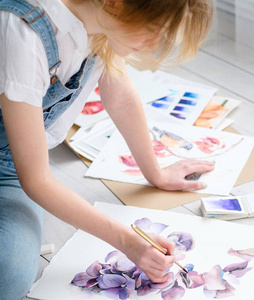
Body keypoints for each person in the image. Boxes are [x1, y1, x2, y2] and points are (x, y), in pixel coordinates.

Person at [0, 0, 214, 298]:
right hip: (23, 173)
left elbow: (121, 97)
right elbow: (36, 180)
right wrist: (127, 242)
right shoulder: (23, 30)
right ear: (115, 3)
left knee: (7, 276)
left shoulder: (100, 26)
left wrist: (157, 173)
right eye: (151, 30)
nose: (154, 44)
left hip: (9, 171)